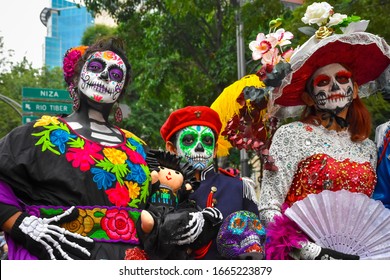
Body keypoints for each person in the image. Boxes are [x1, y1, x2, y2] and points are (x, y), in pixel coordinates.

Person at [257, 2, 390, 260]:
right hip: (300, 262)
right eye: (322, 82)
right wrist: (311, 252)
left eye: (342, 79)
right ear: (308, 97)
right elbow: (268, 208)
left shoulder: (365, 146)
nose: (334, 87)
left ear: (355, 89)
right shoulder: (290, 136)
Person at [0, 37, 151, 259]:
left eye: (116, 75)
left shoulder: (138, 148)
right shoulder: (42, 133)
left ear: (122, 90)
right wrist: (20, 224)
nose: (104, 76)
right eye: (96, 67)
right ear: (79, 77)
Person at [159, 105, 260, 259]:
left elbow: (256, 247)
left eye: (207, 141)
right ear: (171, 149)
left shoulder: (238, 189)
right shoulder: (158, 191)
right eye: (188, 140)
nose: (199, 147)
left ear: (214, 150)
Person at [136, 149, 223, 259]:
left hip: (173, 213)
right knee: (151, 219)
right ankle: (150, 224)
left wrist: (186, 188)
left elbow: (183, 198)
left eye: (177, 173)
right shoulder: (154, 185)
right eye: (162, 169)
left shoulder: (179, 193)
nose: (168, 173)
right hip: (155, 210)